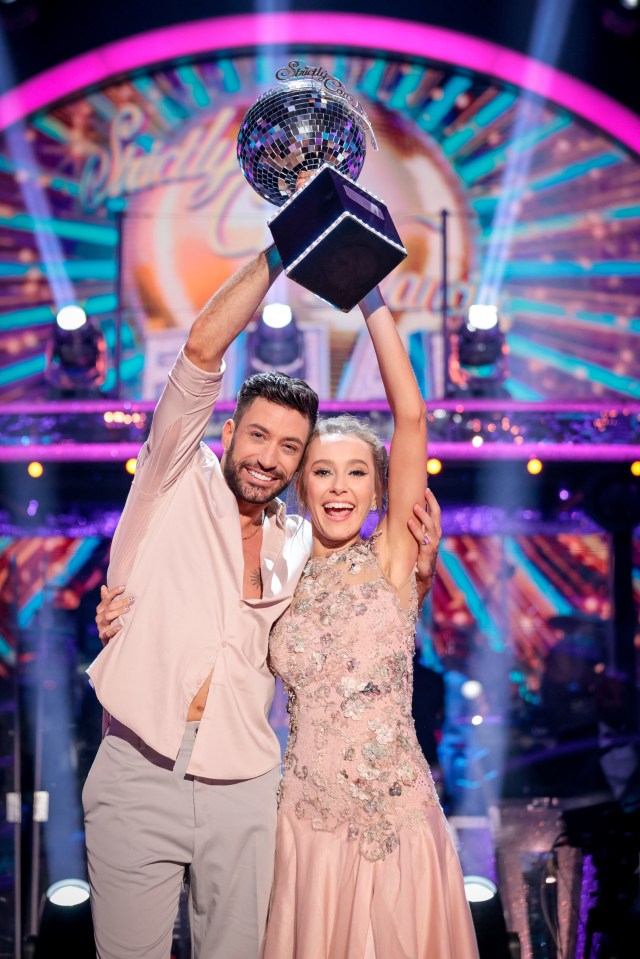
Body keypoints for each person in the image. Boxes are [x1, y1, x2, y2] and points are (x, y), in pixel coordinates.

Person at [86, 239, 440, 959]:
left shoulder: (298, 545)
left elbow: (409, 426)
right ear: (228, 432)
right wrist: (285, 246)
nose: (270, 457)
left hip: (248, 787)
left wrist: (365, 287)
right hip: (140, 767)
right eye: (259, 436)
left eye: (290, 447)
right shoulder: (175, 481)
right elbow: (201, 349)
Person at [260, 286, 478, 958]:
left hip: (394, 817)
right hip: (302, 820)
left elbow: (410, 417)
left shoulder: (392, 558)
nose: (339, 486)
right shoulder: (275, 569)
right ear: (300, 485)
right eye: (322, 471)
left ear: (378, 490)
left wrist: (368, 292)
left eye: (357, 472)